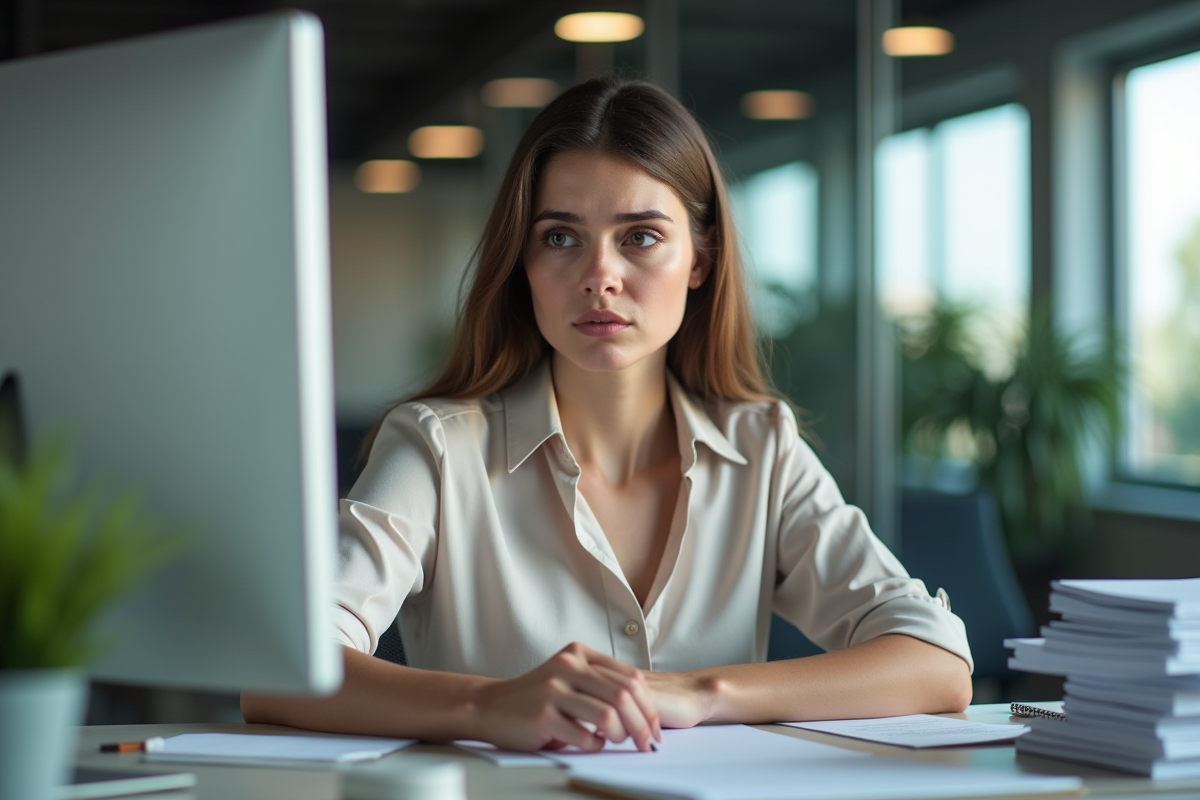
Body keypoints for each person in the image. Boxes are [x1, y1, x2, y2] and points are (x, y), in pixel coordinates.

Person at [242, 77, 973, 753]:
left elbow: (936, 661)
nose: (599, 276)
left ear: (700, 259)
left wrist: (701, 693)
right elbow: (281, 673)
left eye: (640, 236)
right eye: (560, 237)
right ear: (523, 263)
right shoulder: (437, 449)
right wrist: (487, 705)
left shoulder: (762, 449)